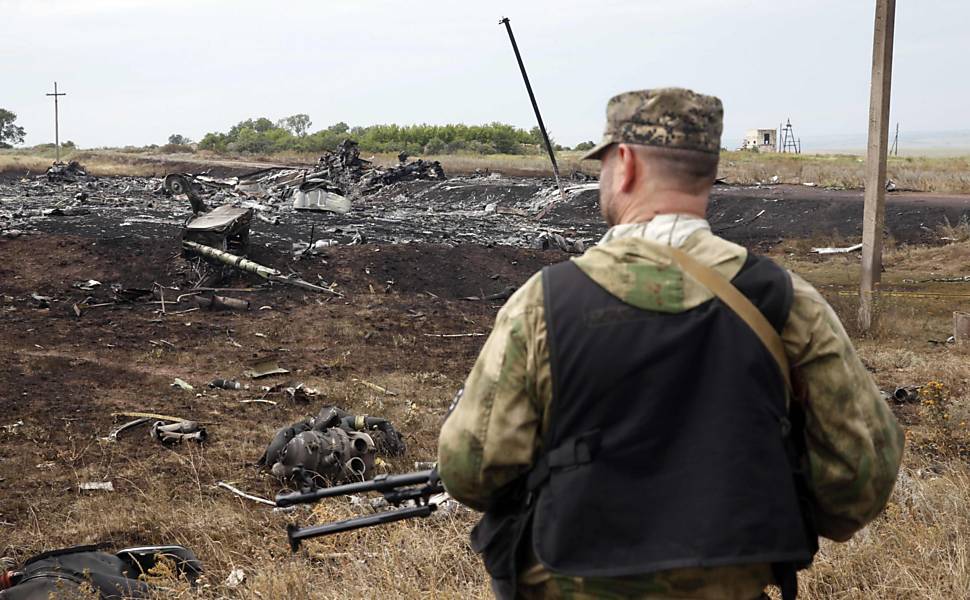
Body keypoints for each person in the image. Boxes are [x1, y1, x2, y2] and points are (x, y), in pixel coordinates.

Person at [437, 88, 904, 600]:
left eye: (605, 165)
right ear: (706, 169)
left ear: (628, 165)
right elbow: (861, 474)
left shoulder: (543, 305)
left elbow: (470, 469)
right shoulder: (787, 302)